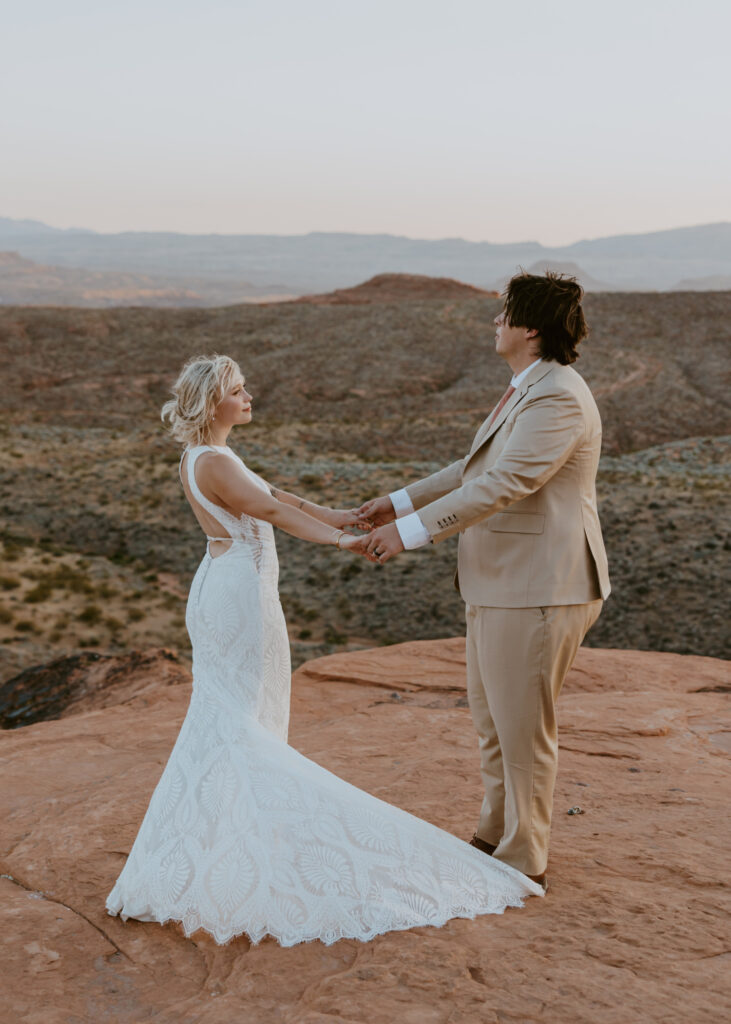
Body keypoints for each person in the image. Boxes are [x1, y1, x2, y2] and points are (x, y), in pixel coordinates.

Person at [105, 353, 542, 948]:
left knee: (234, 715)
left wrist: (340, 514)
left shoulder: (213, 455)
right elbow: (270, 509)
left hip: (228, 587)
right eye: (239, 390)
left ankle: (231, 841)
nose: (249, 396)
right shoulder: (213, 460)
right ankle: (242, 847)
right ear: (214, 405)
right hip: (238, 599)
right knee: (239, 718)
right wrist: (342, 540)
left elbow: (278, 493)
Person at [357, 271, 611, 892]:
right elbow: (473, 466)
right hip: (500, 582)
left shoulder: (557, 397)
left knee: (523, 728)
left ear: (529, 327)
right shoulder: (528, 387)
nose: (494, 323)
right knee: (493, 722)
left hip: (539, 587)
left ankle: (524, 860)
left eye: (503, 314)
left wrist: (411, 532)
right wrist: (397, 502)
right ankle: (493, 831)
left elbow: (506, 484)